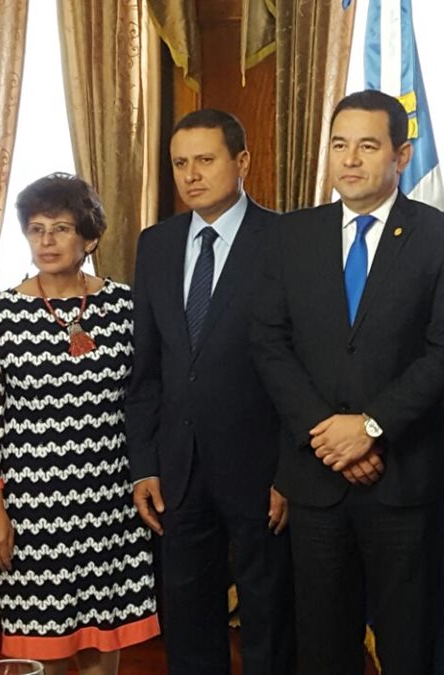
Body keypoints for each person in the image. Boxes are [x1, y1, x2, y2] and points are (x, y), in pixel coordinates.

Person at [252, 89, 444, 674]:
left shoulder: (443, 235)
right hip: (315, 476)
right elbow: (270, 344)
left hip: (403, 476)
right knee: (322, 645)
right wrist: (328, 436)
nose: (350, 159)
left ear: (401, 156)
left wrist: (372, 428)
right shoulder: (291, 234)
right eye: (339, 145)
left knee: (408, 641)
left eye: (368, 145)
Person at [0, 173, 160, 674]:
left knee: (103, 643)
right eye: (35, 229)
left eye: (61, 228)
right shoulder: (2, 312)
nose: (46, 241)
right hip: (32, 510)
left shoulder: (125, 305)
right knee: (41, 649)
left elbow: (145, 398)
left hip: (110, 505)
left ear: (89, 237)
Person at [126, 108, 292, 674]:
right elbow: (145, 368)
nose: (191, 174)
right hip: (178, 469)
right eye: (179, 163)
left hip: (261, 469)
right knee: (188, 622)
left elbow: (303, 369)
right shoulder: (157, 244)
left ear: (241, 161)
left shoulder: (287, 240)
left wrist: (290, 472)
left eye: (205, 159)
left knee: (269, 621)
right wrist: (144, 464)